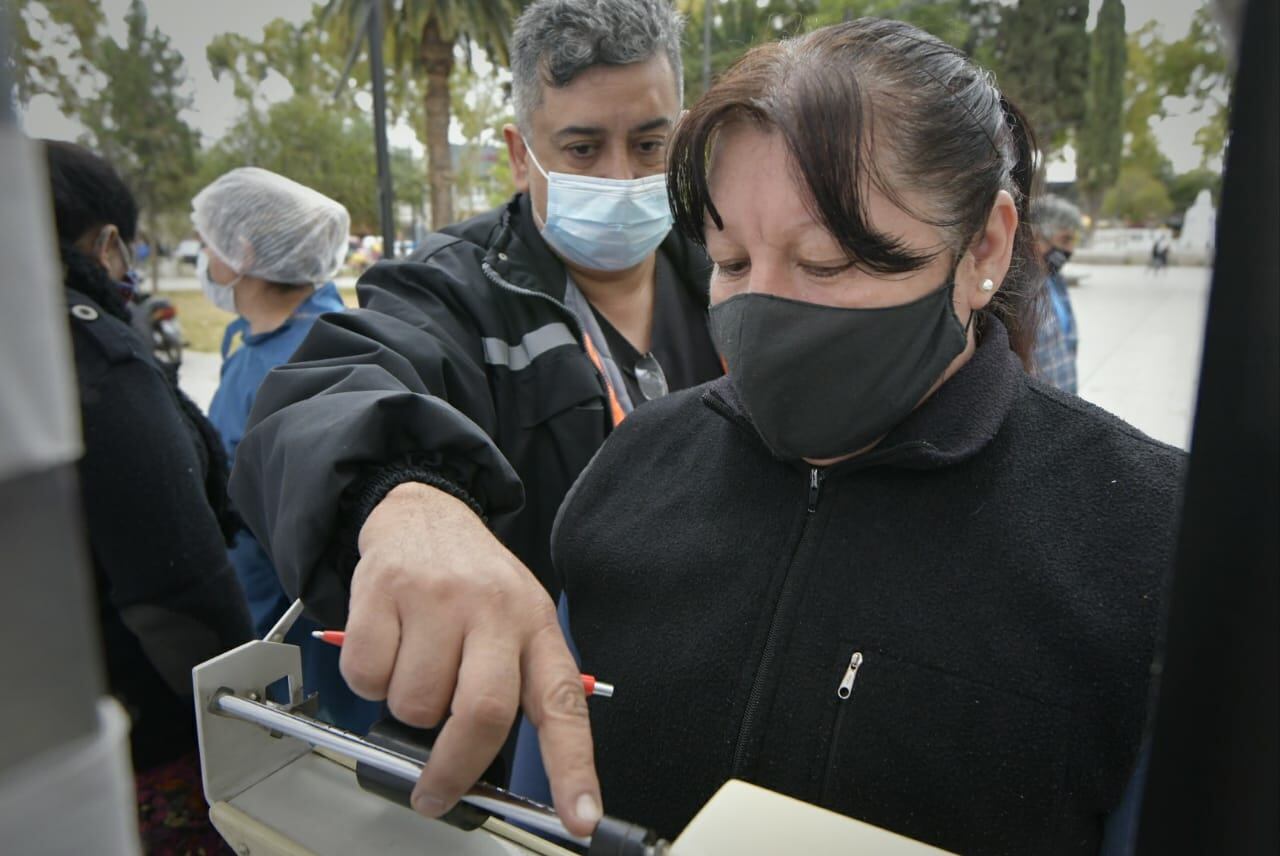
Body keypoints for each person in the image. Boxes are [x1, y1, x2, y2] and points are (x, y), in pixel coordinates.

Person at [539, 19, 1185, 854]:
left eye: (829, 262)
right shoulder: (633, 470)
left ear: (983, 245)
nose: (762, 311)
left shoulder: (1152, 543)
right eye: (731, 263)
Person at [229, 0, 720, 830]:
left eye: (648, 143)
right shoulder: (452, 288)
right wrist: (402, 496)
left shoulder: (728, 272)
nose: (619, 177)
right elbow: (333, 386)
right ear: (519, 154)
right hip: (530, 749)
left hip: (713, 706)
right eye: (581, 147)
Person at [42, 140, 253, 852]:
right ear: (106, 244)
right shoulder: (95, 356)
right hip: (137, 738)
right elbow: (177, 585)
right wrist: (243, 717)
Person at [192, 166, 380, 731]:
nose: (203, 256)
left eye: (210, 241)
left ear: (244, 252)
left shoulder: (319, 352)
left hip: (303, 624)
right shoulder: (242, 337)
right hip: (251, 598)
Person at [1030, 195, 1083, 393]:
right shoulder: (1017, 293)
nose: (1070, 249)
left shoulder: (1056, 282)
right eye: (1064, 239)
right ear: (1036, 237)